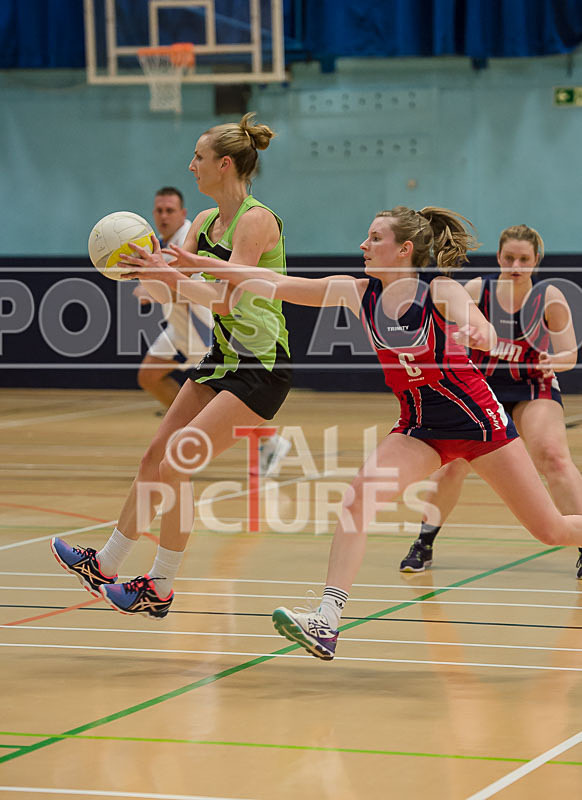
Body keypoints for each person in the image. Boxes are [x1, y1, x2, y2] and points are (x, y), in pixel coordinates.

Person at [168, 205, 582, 661]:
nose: (363, 245)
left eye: (375, 238)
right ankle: (327, 621)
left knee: (551, 529)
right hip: (419, 427)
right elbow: (272, 283)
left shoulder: (439, 291)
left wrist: (479, 332)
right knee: (356, 501)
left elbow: (478, 323)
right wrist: (196, 263)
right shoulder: (356, 291)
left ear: (404, 249)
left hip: (478, 424)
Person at [50, 113, 292, 617]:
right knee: (153, 457)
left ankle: (159, 586)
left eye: (198, 157)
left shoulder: (256, 220)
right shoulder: (202, 223)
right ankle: (105, 564)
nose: (190, 165)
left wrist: (169, 273)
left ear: (224, 165)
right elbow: (168, 288)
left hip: (260, 365)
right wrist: (139, 266)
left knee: (176, 461)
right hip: (221, 357)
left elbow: (225, 299)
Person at [399, 224, 582, 578]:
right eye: (509, 258)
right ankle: (424, 542)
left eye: (524, 259)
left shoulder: (549, 298)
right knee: (454, 462)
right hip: (480, 388)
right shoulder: (475, 290)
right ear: (498, 257)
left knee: (553, 456)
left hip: (532, 386)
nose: (516, 265)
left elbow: (569, 355)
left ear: (536, 260)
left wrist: (551, 360)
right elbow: (443, 332)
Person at [134, 186, 213, 411]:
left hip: (201, 326)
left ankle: (265, 437)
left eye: (170, 210)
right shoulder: (161, 243)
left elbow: (194, 290)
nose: (164, 216)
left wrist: (153, 293)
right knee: (149, 377)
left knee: (224, 396)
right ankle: (186, 420)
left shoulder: (188, 241)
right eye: (159, 211)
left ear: (182, 213)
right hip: (178, 326)